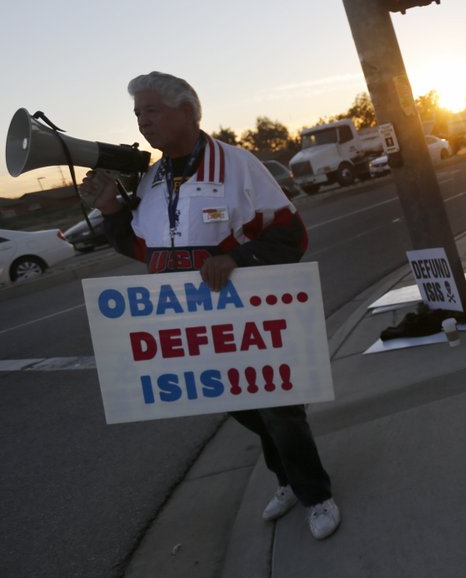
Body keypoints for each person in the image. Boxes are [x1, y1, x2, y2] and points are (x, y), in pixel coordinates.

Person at [79, 71, 342, 541]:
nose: (143, 122)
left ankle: (315, 494)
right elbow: (143, 248)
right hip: (189, 322)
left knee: (279, 407)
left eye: (152, 111)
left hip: (246, 316)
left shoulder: (239, 165)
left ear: (188, 111)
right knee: (239, 405)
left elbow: (291, 234)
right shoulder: (153, 179)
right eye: (138, 114)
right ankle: (285, 478)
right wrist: (112, 211)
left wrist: (235, 257)